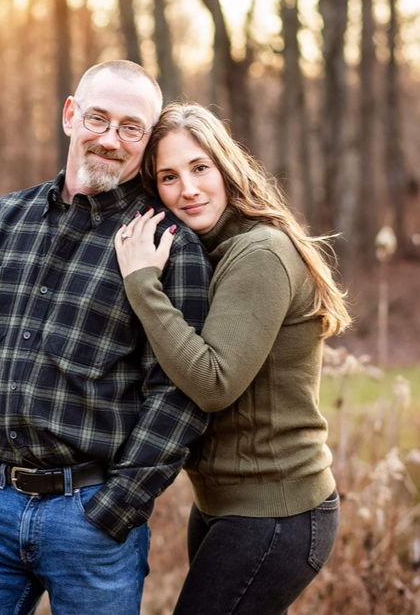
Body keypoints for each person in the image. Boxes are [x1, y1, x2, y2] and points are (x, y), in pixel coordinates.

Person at [0, 62, 212, 614]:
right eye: (98, 119)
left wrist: (118, 505)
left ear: (147, 141)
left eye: (131, 128)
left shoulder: (166, 244)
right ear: (70, 115)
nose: (110, 139)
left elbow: (180, 392)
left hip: (92, 519)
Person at [114, 101, 351, 615]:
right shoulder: (210, 251)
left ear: (226, 166)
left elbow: (214, 383)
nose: (188, 189)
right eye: (169, 177)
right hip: (225, 506)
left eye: (200, 168)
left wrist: (142, 285)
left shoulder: (259, 253)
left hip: (276, 512)